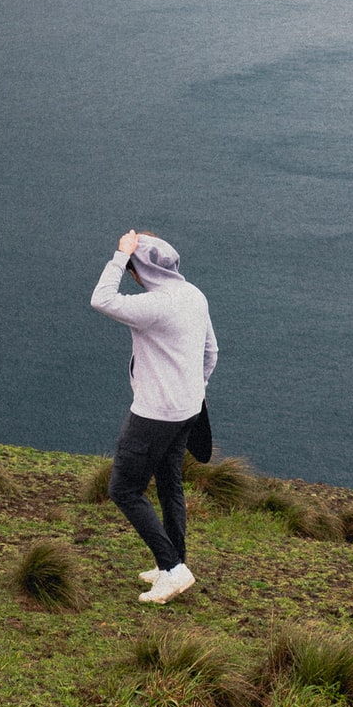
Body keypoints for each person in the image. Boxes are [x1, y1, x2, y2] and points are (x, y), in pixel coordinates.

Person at [89, 227, 217, 603]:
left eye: (131, 267)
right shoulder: (194, 295)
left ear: (136, 270)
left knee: (124, 489)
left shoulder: (155, 305)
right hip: (189, 408)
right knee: (168, 483)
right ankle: (173, 563)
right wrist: (193, 389)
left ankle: (173, 570)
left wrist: (120, 254)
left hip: (155, 414)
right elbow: (211, 353)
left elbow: (101, 299)